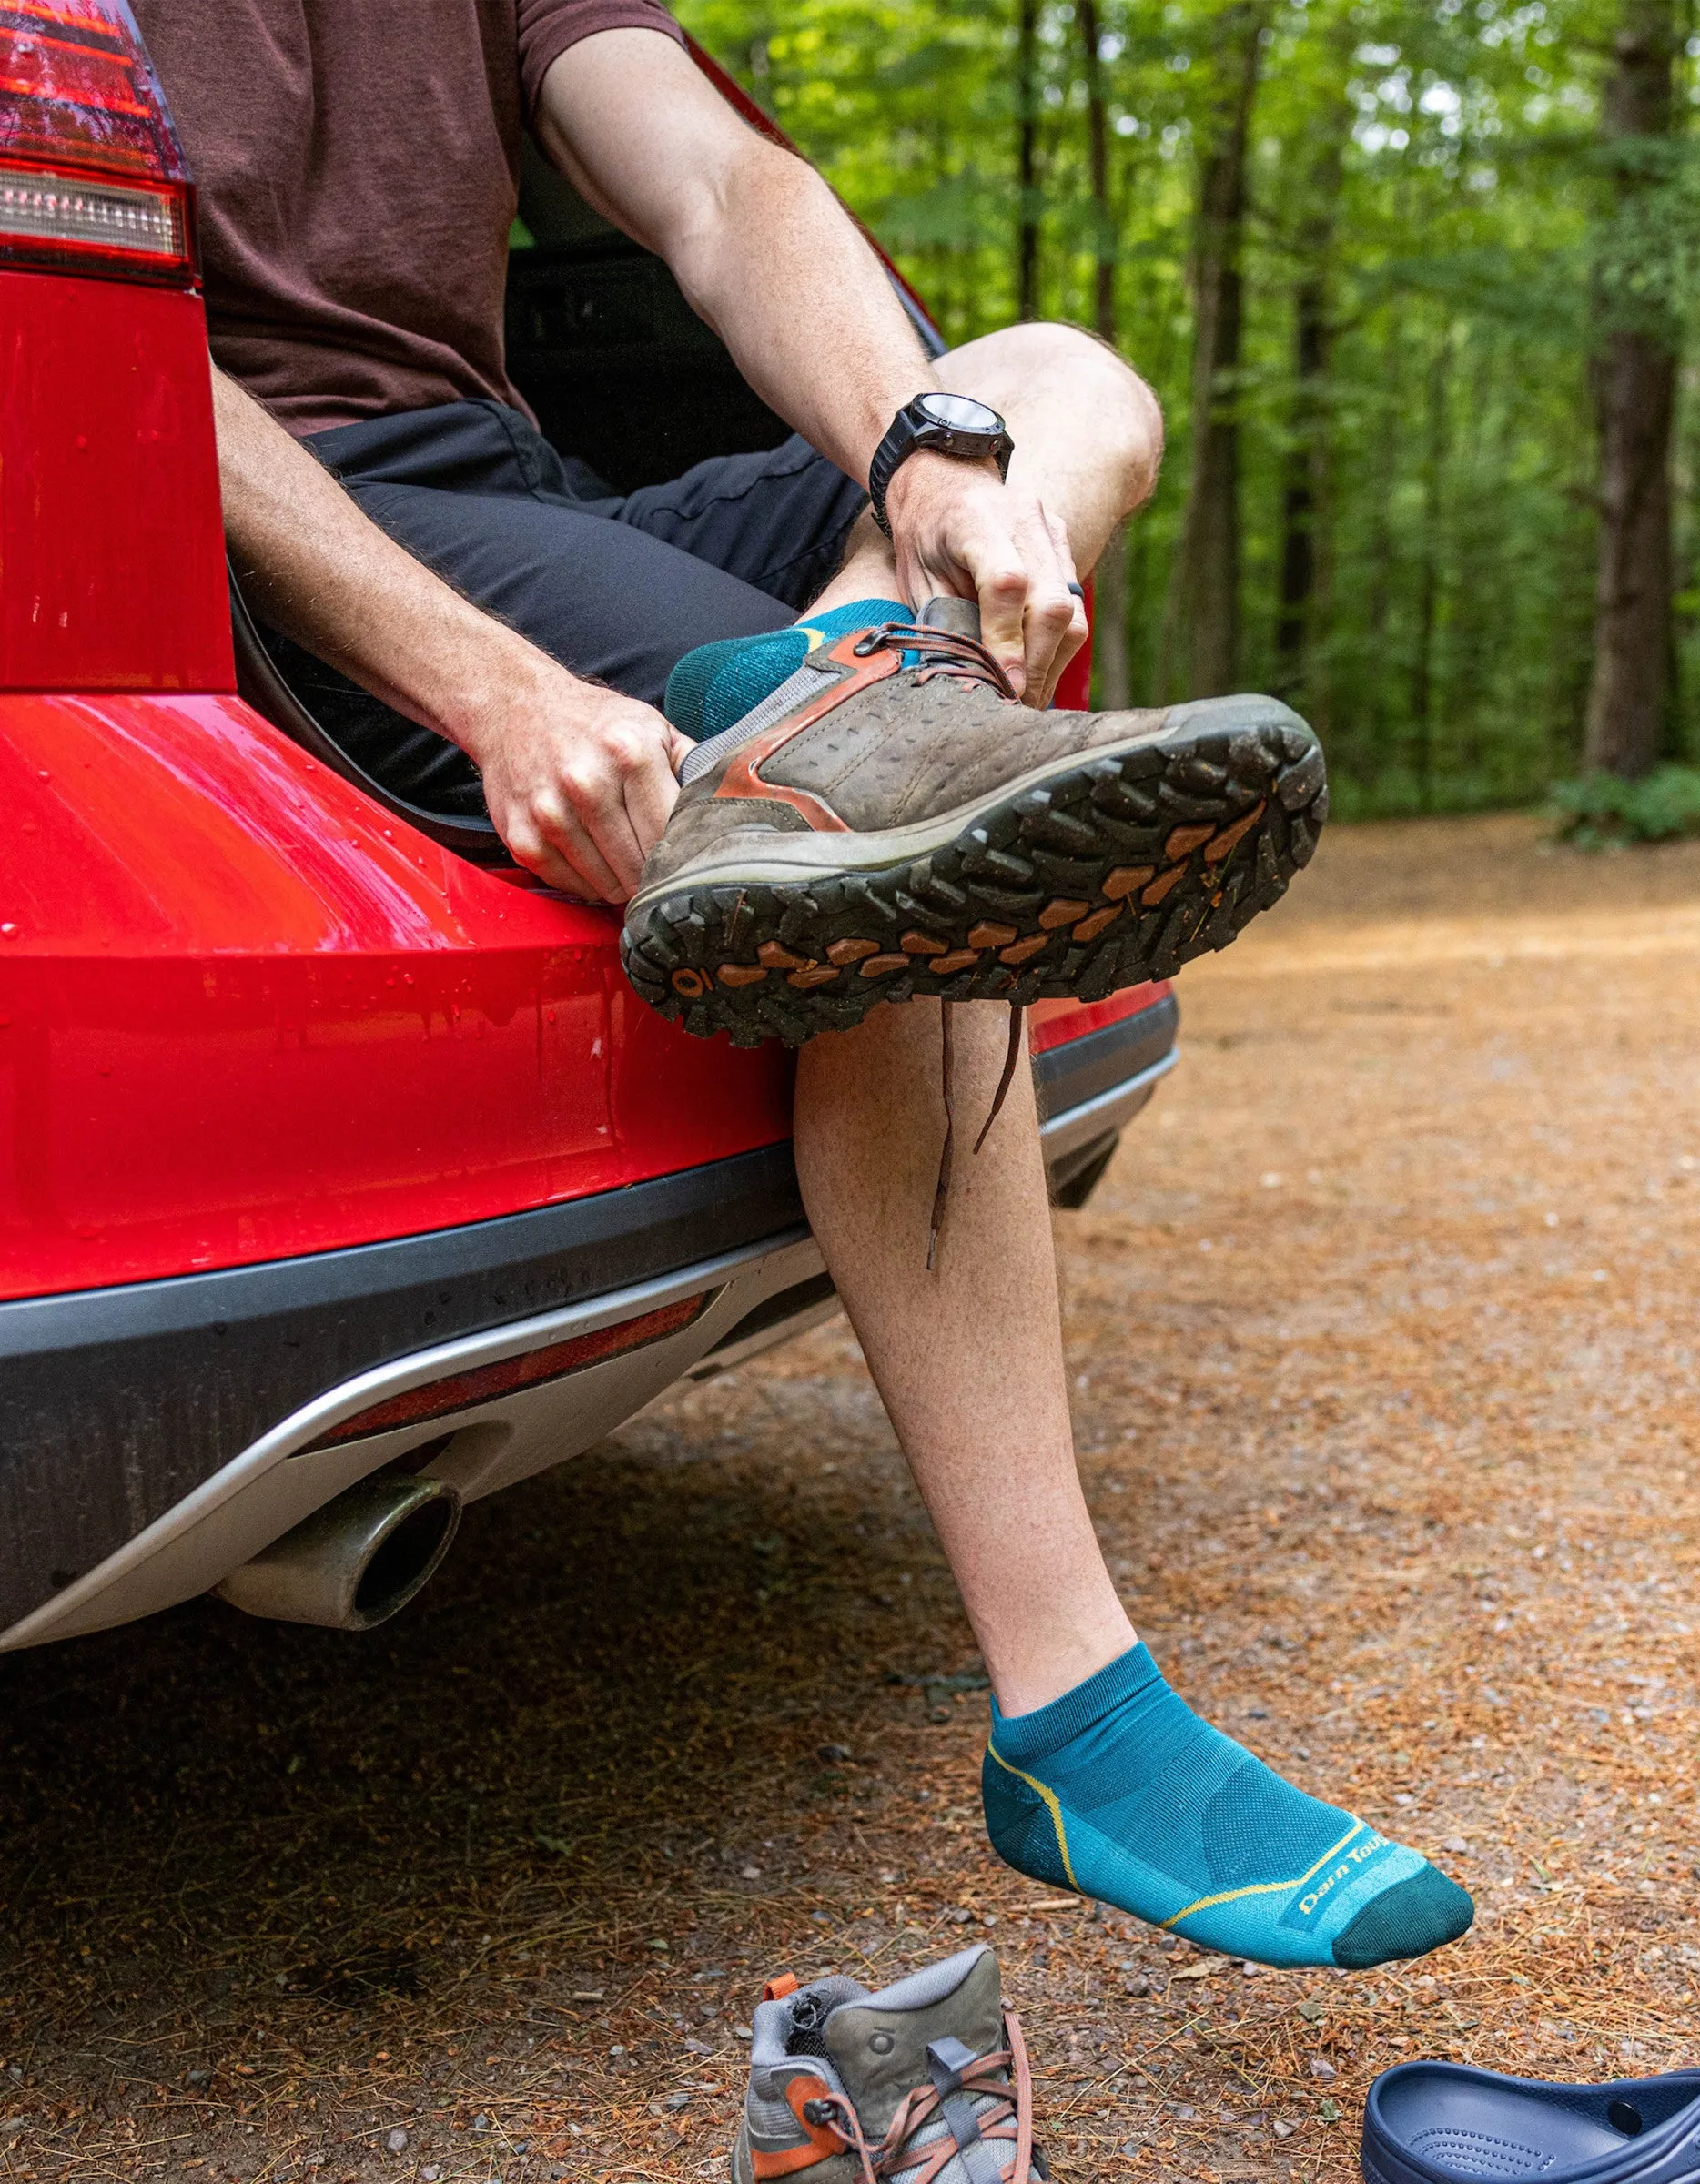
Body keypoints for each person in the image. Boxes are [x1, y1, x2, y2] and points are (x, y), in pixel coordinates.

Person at [141, 0, 1472, 1969]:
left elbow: (719, 181)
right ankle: (1076, 1722)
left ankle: (835, 729)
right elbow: (98, 351)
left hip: (530, 484)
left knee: (1064, 386)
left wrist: (927, 464)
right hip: (267, 522)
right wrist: (492, 687)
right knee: (887, 838)